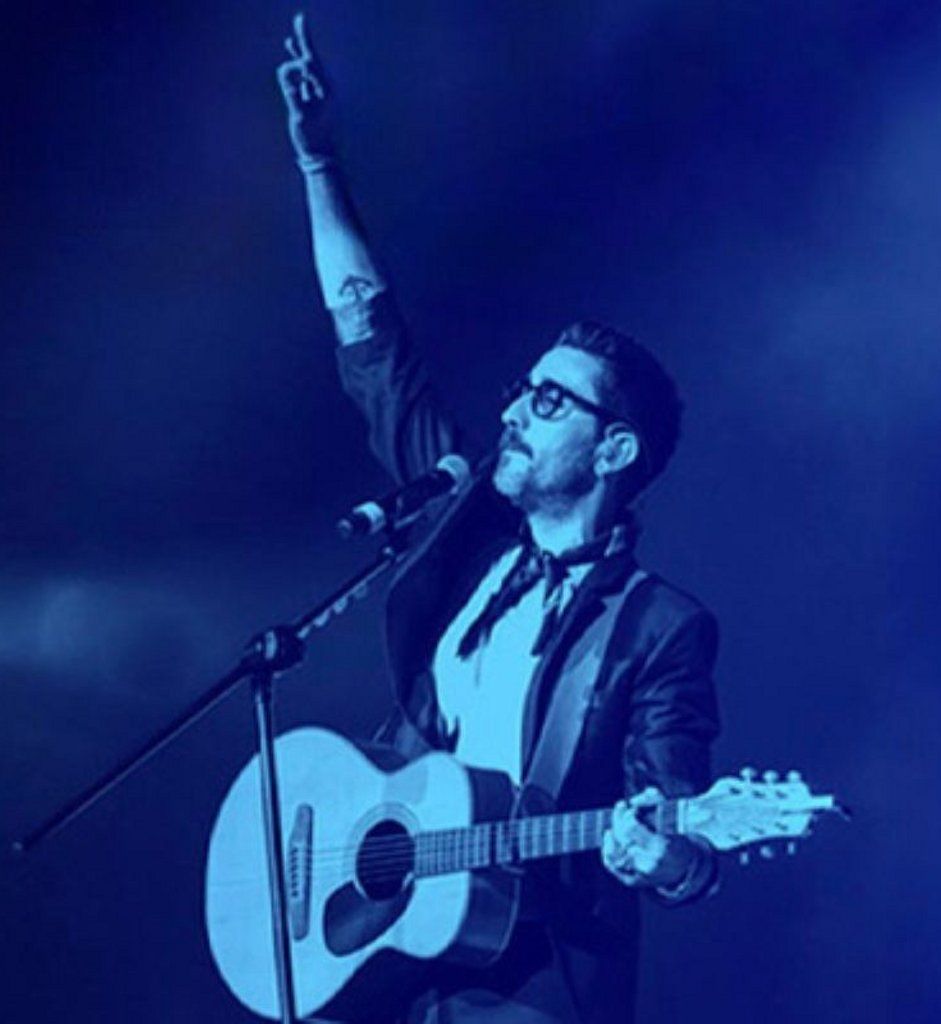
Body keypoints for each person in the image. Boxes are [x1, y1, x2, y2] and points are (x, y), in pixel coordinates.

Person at [276, 14, 721, 1024]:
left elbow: (679, 819)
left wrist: (671, 857)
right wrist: (317, 165)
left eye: (551, 401)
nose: (515, 410)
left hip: (528, 981)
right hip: (392, 949)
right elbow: (373, 346)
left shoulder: (660, 627)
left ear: (615, 451)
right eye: (523, 390)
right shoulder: (466, 523)